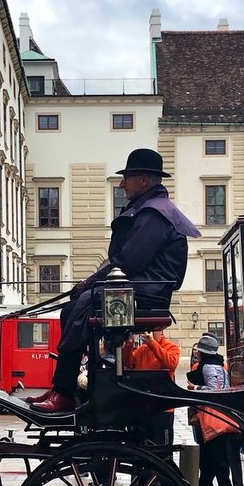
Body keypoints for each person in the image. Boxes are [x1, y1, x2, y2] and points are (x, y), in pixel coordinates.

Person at [29, 148, 198, 414]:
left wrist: (88, 283)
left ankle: (64, 392)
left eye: (126, 178)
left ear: (142, 180)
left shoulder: (153, 214)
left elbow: (128, 262)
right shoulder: (152, 210)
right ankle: (64, 388)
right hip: (145, 287)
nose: (121, 184)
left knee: (80, 307)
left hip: (145, 291)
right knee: (74, 308)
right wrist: (90, 282)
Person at [187, 333, 241, 486]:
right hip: (222, 414)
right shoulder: (220, 366)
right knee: (211, 455)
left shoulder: (207, 367)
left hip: (212, 417)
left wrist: (194, 387)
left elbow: (212, 390)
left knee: (215, 456)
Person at [124, 327, 180, 449]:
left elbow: (170, 363)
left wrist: (152, 343)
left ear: (161, 331)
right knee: (141, 445)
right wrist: (129, 345)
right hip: (144, 404)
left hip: (162, 406)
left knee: (161, 446)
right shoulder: (142, 349)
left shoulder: (171, 347)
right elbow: (129, 364)